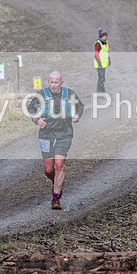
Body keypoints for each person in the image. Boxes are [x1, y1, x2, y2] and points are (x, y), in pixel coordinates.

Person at [26, 71, 84, 210]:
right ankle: (57, 181)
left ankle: (56, 198)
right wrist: (36, 119)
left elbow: (80, 106)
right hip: (46, 134)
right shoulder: (41, 94)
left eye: (56, 82)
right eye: (51, 82)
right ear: (48, 82)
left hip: (64, 133)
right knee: (48, 169)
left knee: (59, 165)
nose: (53, 85)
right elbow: (31, 109)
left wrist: (77, 115)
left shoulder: (69, 93)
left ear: (61, 82)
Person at [94, 29, 110, 93]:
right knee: (101, 78)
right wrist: (99, 63)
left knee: (102, 78)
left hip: (103, 64)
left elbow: (106, 52)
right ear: (101, 36)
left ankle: (102, 91)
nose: (105, 37)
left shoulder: (104, 43)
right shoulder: (99, 43)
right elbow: (96, 54)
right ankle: (100, 92)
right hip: (100, 64)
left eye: (106, 36)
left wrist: (109, 59)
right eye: (104, 36)